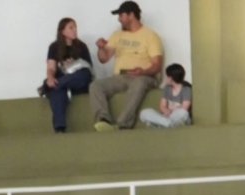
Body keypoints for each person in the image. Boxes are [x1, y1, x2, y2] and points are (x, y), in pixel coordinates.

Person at [91, 2, 163, 133]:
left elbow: (157, 65)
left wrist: (143, 72)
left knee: (139, 82)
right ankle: (103, 120)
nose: (119, 19)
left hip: (145, 76)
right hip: (121, 77)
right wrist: (101, 48)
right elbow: (103, 59)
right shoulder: (117, 35)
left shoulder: (150, 36)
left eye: (121, 15)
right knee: (96, 85)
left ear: (131, 15)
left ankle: (123, 124)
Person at [43, 17, 94, 133]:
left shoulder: (82, 46)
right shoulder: (54, 47)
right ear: (63, 31)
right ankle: (60, 127)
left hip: (78, 81)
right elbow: (51, 67)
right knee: (58, 90)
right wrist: (50, 77)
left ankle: (48, 86)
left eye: (75, 27)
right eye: (71, 28)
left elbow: (89, 69)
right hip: (63, 80)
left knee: (84, 75)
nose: (75, 30)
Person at [138, 62, 192, 129]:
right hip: (166, 117)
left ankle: (162, 124)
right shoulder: (167, 88)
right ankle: (166, 124)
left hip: (176, 117)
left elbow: (184, 108)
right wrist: (166, 111)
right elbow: (162, 106)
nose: (166, 78)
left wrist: (171, 112)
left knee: (183, 113)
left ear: (171, 78)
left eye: (167, 76)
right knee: (144, 113)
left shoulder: (186, 90)